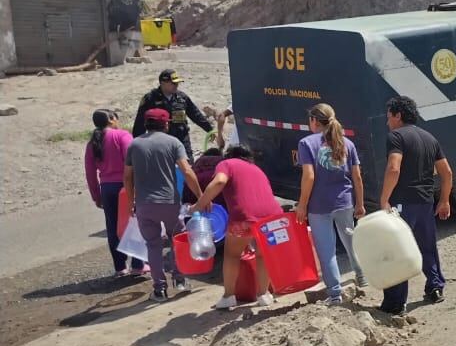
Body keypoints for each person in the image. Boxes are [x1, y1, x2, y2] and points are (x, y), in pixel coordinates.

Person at [379, 95, 452, 315]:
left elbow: (394, 168)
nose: (387, 122)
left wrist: (384, 199)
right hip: (425, 201)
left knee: (397, 250)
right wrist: (444, 200)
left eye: (389, 117)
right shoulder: (429, 138)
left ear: (398, 115)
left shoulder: (396, 137)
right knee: (427, 246)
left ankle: (396, 303)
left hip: (402, 202)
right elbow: (447, 172)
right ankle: (435, 287)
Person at [124, 108, 202, 302]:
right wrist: (201, 196)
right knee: (177, 240)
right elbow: (187, 171)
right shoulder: (173, 142)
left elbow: (127, 177)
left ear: (146, 124)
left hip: (145, 204)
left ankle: (159, 289)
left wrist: (131, 202)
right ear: (166, 124)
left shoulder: (134, 145)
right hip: (169, 202)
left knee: (153, 245)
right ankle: (180, 280)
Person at [195, 145, 283, 310]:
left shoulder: (226, 164)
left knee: (232, 255)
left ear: (229, 155)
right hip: (272, 215)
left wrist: (200, 204)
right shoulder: (256, 169)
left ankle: (228, 297)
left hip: (243, 217)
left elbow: (220, 181)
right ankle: (263, 295)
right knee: (263, 255)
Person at [297, 103, 367, 305]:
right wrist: (360, 203)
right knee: (351, 241)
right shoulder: (347, 143)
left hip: (319, 206)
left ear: (314, 121)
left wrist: (302, 205)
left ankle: (335, 294)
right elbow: (357, 177)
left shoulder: (306, 143)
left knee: (327, 251)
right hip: (345, 201)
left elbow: (309, 176)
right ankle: (362, 277)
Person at [84, 109, 145, 277]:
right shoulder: (122, 135)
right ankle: (138, 264)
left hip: (107, 189)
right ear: (111, 119)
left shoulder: (92, 143)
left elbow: (90, 173)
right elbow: (133, 162)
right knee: (134, 223)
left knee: (113, 227)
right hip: (126, 186)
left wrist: (96, 196)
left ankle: (120, 267)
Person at [131, 68, 213, 160]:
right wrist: (137, 145)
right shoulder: (150, 99)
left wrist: (210, 130)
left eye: (177, 83)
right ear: (163, 83)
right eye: (173, 83)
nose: (176, 85)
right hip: (161, 142)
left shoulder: (182, 98)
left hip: (182, 140)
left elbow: (196, 115)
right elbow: (140, 122)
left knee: (187, 165)